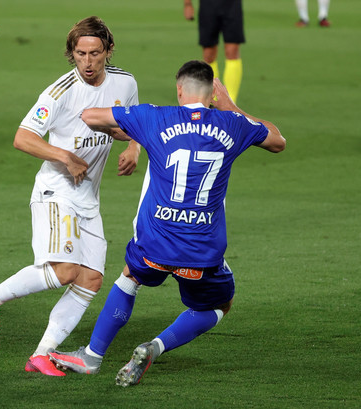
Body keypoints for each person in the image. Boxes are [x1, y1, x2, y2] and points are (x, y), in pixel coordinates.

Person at [49, 60, 286, 386]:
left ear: (179, 89)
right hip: (202, 250)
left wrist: (127, 131)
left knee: (130, 277)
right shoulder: (233, 124)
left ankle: (92, 356)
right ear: (212, 93)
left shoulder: (154, 117)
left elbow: (90, 117)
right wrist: (231, 105)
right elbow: (277, 140)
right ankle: (155, 346)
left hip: (156, 244)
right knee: (220, 304)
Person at [0, 16, 141, 376]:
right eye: (80, 54)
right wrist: (64, 156)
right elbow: (22, 137)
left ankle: (42, 354)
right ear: (71, 54)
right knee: (64, 271)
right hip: (55, 192)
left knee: (90, 279)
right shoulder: (59, 92)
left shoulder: (125, 81)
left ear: (108, 51)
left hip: (88, 198)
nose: (88, 62)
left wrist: (134, 149)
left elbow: (134, 120)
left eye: (95, 53)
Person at [184, 0, 244, 104]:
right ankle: (213, 98)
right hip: (208, 5)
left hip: (232, 5)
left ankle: (230, 102)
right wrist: (188, 4)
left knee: (232, 50)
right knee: (209, 54)